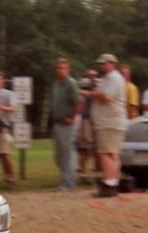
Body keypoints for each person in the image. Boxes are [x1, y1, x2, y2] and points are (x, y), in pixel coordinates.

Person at [81, 53, 127, 198]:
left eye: (104, 64)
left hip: (108, 122)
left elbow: (105, 96)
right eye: (100, 64)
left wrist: (88, 94)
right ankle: (113, 183)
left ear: (112, 63)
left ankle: (109, 184)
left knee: (104, 153)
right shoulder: (111, 78)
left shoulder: (114, 78)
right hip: (113, 121)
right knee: (113, 154)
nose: (101, 66)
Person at [51, 58, 82, 191]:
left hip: (67, 122)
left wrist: (72, 117)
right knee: (59, 154)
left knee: (67, 152)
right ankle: (64, 180)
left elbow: (78, 102)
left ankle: (68, 183)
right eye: (58, 68)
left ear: (68, 69)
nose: (61, 70)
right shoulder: (56, 84)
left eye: (63, 68)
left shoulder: (71, 83)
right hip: (57, 121)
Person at [76, 68, 99, 184]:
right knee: (85, 148)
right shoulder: (84, 84)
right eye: (91, 75)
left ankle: (96, 174)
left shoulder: (98, 86)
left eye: (95, 75)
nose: (93, 77)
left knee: (97, 149)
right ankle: (82, 173)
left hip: (97, 120)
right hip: (87, 119)